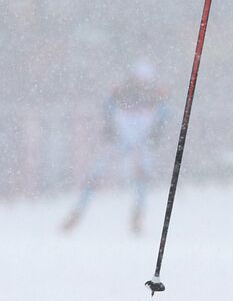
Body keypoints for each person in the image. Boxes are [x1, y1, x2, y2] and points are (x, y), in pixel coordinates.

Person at [60, 61, 170, 235]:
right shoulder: (122, 93)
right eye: (139, 81)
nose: (142, 86)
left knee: (142, 177)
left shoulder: (156, 97)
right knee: (96, 175)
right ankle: (77, 212)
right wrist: (110, 129)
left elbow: (162, 117)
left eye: (146, 82)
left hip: (141, 142)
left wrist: (155, 134)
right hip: (121, 140)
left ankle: (137, 217)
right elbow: (108, 109)